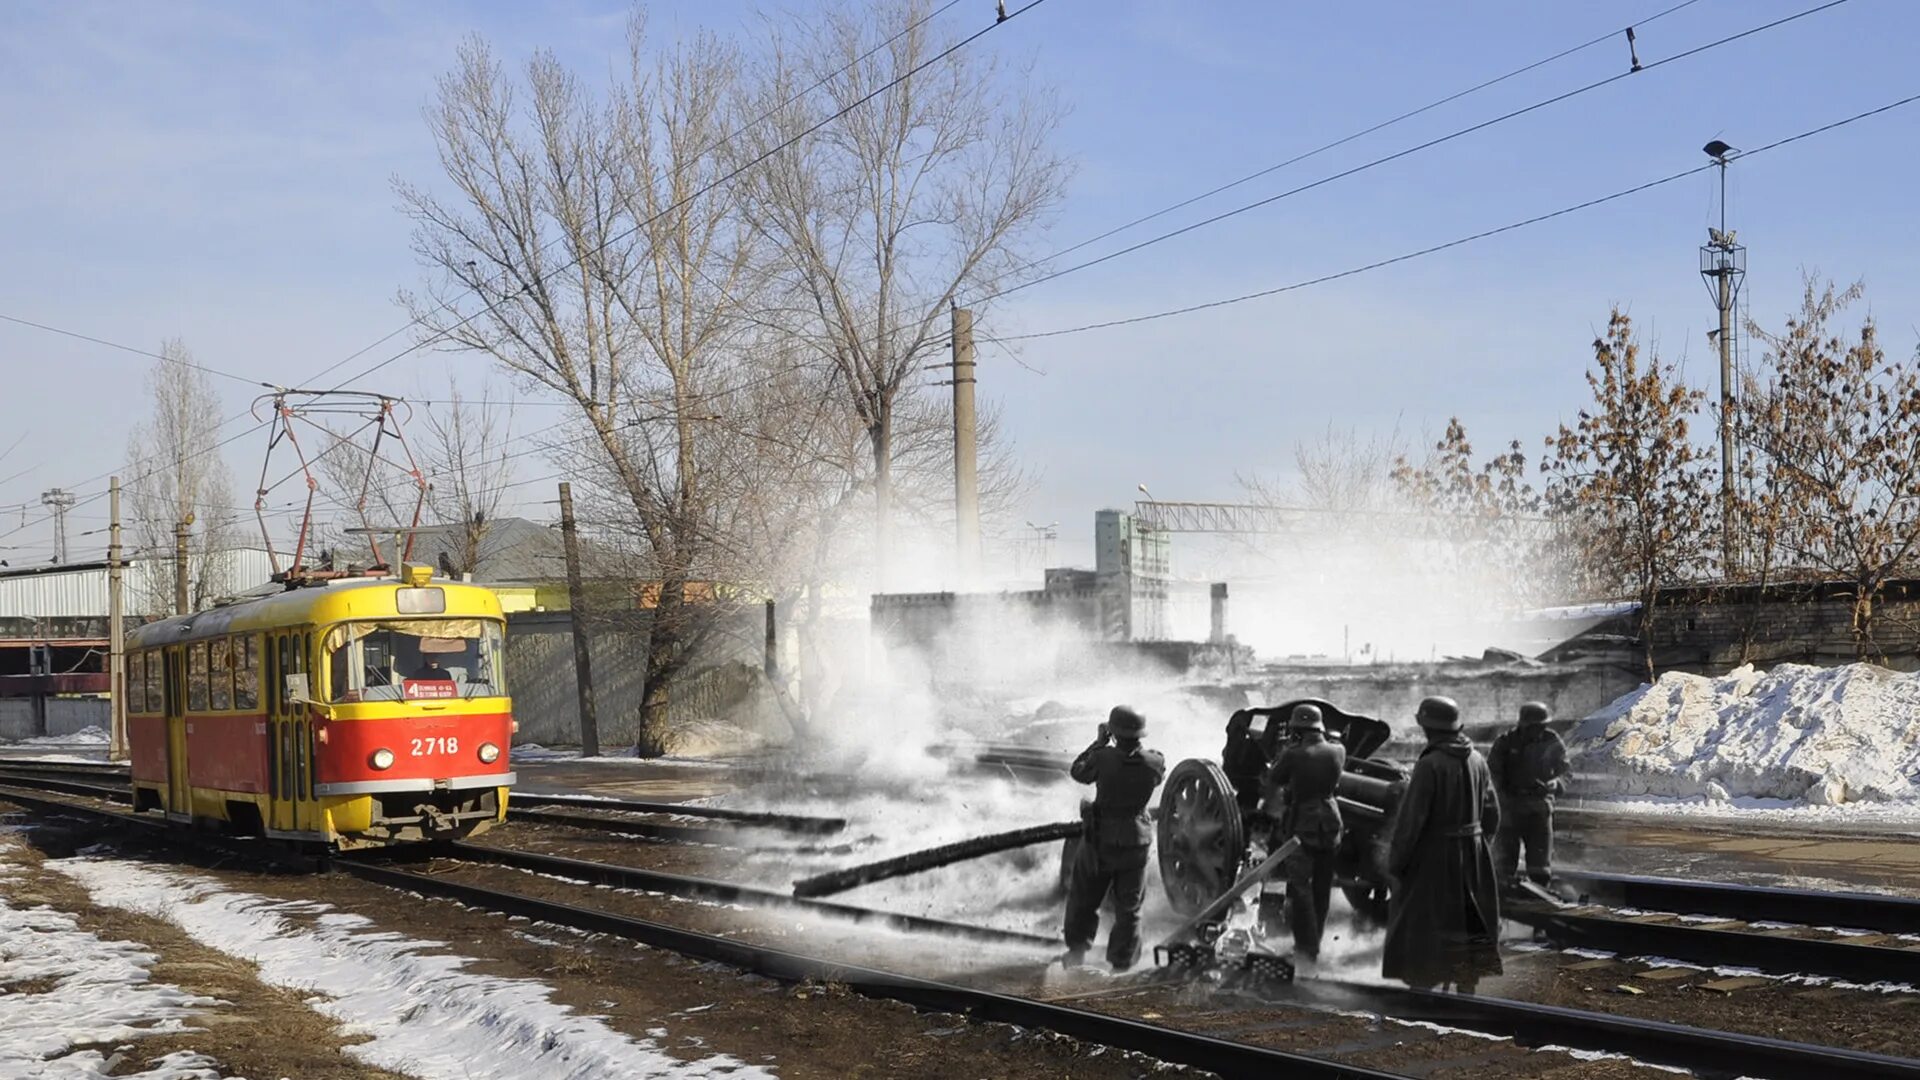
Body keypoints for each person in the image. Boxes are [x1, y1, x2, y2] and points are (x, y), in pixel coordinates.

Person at [1383, 695, 1503, 993]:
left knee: (1424, 920)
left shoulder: (1429, 764)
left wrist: (1397, 864)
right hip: (1474, 853)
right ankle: (1467, 985)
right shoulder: (1477, 759)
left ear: (1426, 726)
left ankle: (1422, 988)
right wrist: (1478, 845)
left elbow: (1411, 821)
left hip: (1436, 856)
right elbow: (1493, 813)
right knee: (1469, 920)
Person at [1063, 705, 1167, 971]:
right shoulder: (1154, 762)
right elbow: (1155, 773)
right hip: (1136, 843)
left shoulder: (1103, 757)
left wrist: (1098, 742)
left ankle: (1076, 952)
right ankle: (1121, 964)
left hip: (1101, 841)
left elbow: (1078, 772)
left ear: (1113, 731)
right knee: (1129, 908)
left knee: (1084, 898)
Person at [1260, 703, 1346, 961]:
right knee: (1322, 887)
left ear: (1297, 729)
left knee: (1300, 888)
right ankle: (1315, 942)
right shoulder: (1338, 750)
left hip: (1303, 824)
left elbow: (1275, 778)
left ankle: (1306, 949)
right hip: (1331, 822)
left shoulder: (1293, 754)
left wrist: (1283, 752)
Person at [1489, 701, 1570, 889]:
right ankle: (1505, 902)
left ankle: (1541, 898)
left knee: (1540, 867)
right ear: (1523, 725)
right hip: (1511, 810)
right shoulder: (1505, 742)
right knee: (1503, 864)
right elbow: (1493, 776)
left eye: (1542, 726)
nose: (1539, 731)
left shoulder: (1552, 741)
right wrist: (1504, 804)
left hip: (1539, 809)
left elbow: (1566, 771)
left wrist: (1555, 783)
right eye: (1535, 727)